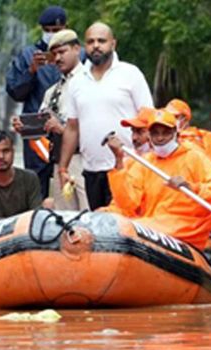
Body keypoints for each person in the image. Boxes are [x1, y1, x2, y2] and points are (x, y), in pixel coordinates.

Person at [105, 108, 211, 250]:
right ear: (150, 136)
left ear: (176, 134)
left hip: (188, 227)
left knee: (130, 229)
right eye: (155, 133)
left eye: (166, 133)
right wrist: (119, 160)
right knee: (106, 219)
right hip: (156, 224)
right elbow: (127, 204)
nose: (160, 138)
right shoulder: (146, 162)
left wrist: (191, 187)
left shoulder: (194, 156)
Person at [58, 22, 153, 210]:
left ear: (113, 44)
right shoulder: (77, 81)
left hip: (127, 168)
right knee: (98, 229)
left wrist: (149, 159)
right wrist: (63, 168)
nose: (96, 46)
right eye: (91, 41)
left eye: (101, 41)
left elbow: (148, 119)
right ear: (85, 46)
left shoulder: (130, 74)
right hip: (92, 170)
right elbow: (72, 127)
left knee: (126, 225)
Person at [12, 29, 88, 211]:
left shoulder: (90, 82)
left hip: (84, 161)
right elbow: (43, 127)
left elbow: (95, 129)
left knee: (90, 217)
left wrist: (62, 128)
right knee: (65, 221)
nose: (58, 58)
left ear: (77, 49)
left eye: (63, 52)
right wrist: (26, 127)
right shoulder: (52, 91)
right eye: (54, 54)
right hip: (59, 162)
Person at [6, 6, 67, 199]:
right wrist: (31, 71)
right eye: (48, 30)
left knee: (67, 176)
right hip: (36, 129)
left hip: (68, 127)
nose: (52, 35)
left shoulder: (78, 55)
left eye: (56, 31)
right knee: (37, 179)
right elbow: (15, 91)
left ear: (66, 28)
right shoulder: (27, 55)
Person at [165, 98, 211, 182]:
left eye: (175, 116)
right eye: (168, 115)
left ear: (185, 119)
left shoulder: (203, 138)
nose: (171, 119)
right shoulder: (164, 139)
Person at [0, 130, 43, 218]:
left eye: (6, 151)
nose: (1, 157)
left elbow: (36, 214)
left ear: (13, 152)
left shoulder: (29, 178)